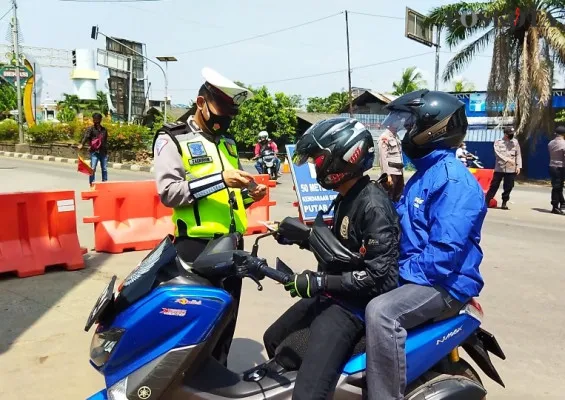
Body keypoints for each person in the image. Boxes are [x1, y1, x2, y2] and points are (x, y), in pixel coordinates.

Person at [263, 117, 400, 400]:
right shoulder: (346, 197)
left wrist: (318, 282)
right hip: (333, 294)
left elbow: (379, 278)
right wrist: (300, 238)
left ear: (343, 159)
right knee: (274, 340)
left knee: (309, 394)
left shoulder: (372, 206)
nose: (315, 166)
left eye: (318, 159)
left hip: (353, 307)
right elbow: (342, 253)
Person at [364, 90, 486, 400]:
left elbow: (443, 256)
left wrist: (395, 272)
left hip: (444, 283)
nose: (403, 134)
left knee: (382, 312)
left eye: (409, 126)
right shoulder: (424, 174)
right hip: (420, 272)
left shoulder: (453, 181)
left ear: (433, 131)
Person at [152, 67, 267, 366]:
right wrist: (221, 179)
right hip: (197, 248)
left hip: (233, 246)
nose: (224, 120)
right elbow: (169, 193)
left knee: (226, 322)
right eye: (220, 111)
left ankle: (218, 378)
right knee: (196, 329)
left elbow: (225, 198)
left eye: (230, 114)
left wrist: (248, 196)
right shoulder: (172, 138)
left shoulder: (227, 144)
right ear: (200, 102)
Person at [484, 126, 522, 210]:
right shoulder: (498, 142)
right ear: (505, 134)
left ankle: (504, 202)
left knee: (508, 186)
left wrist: (518, 166)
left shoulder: (515, 142)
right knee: (494, 185)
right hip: (500, 168)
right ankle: (487, 201)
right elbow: (498, 154)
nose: (511, 136)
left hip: (511, 169)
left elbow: (518, 154)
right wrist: (508, 160)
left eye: (512, 134)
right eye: (509, 134)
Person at [78, 113, 108, 187]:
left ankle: (105, 183)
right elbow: (86, 137)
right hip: (94, 152)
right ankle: (92, 184)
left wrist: (106, 151)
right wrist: (82, 144)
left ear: (100, 120)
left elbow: (105, 140)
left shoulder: (104, 130)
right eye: (95, 119)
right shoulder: (91, 129)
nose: (96, 120)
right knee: (93, 168)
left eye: (97, 119)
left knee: (104, 169)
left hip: (103, 152)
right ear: (93, 120)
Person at [378, 123, 405, 202]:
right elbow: (383, 158)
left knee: (398, 194)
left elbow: (399, 156)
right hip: (391, 171)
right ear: (390, 125)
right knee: (388, 195)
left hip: (399, 171)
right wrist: (387, 175)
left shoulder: (396, 137)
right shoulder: (384, 137)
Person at [548, 125, 565, 215]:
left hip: (552, 166)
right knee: (557, 187)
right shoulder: (563, 143)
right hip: (560, 167)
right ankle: (555, 207)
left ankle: (562, 203)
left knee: (557, 186)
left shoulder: (550, 143)